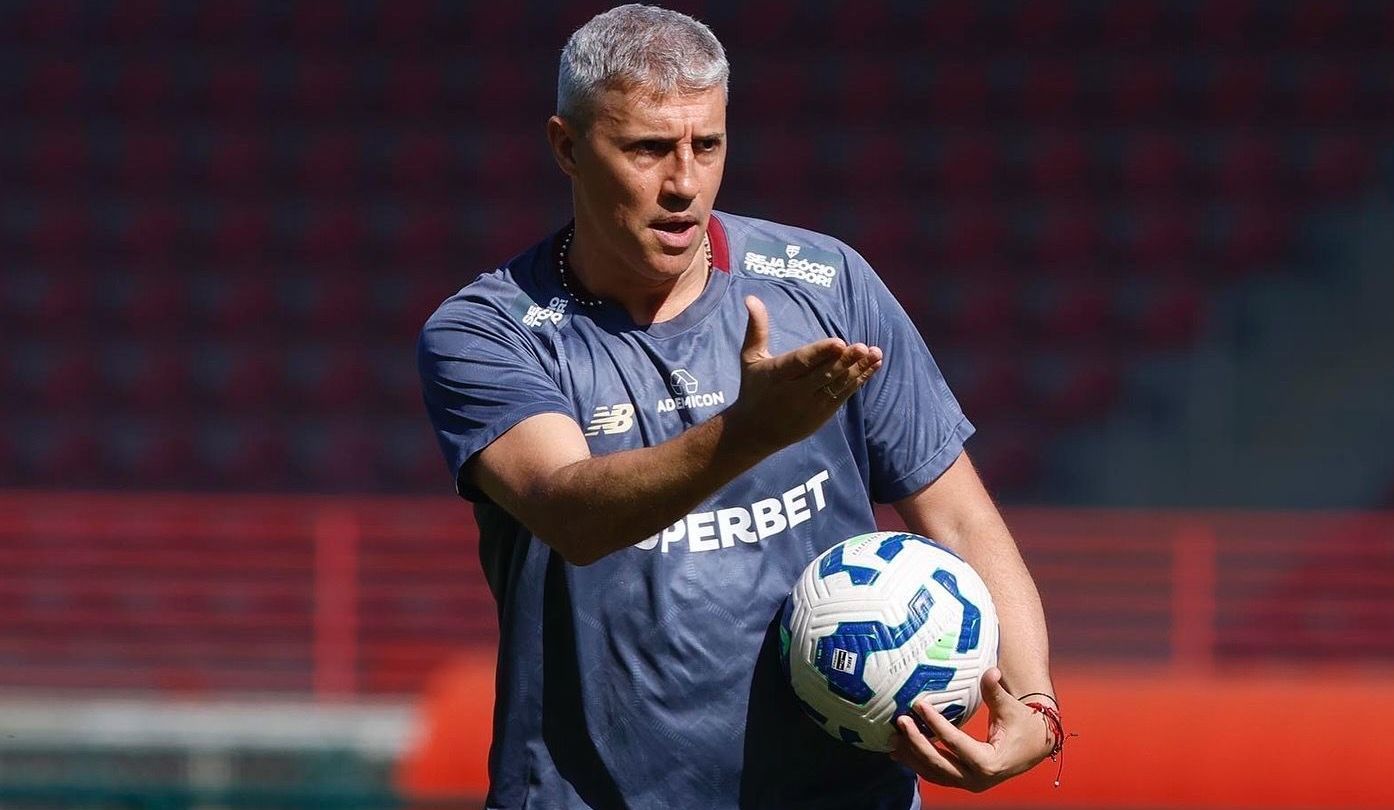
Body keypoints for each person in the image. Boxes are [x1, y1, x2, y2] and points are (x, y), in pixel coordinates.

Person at [417, 5, 1059, 808]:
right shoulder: (488, 332)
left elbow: (960, 520)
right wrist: (747, 434)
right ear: (567, 147)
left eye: (708, 146)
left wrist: (1035, 701)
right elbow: (572, 514)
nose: (684, 183)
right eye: (648, 148)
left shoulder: (828, 284)